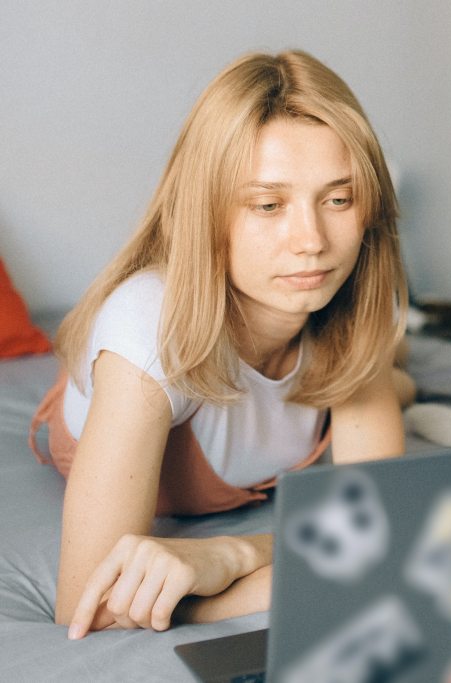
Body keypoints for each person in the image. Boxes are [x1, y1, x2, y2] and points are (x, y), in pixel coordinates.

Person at [28, 50, 415, 639]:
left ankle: (404, 379)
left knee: (391, 368)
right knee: (390, 380)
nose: (311, 242)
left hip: (285, 387)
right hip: (147, 391)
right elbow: (91, 603)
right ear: (207, 212)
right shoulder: (148, 334)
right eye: (268, 205)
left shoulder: (354, 296)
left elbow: (380, 530)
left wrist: (232, 556)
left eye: (338, 199)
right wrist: (201, 600)